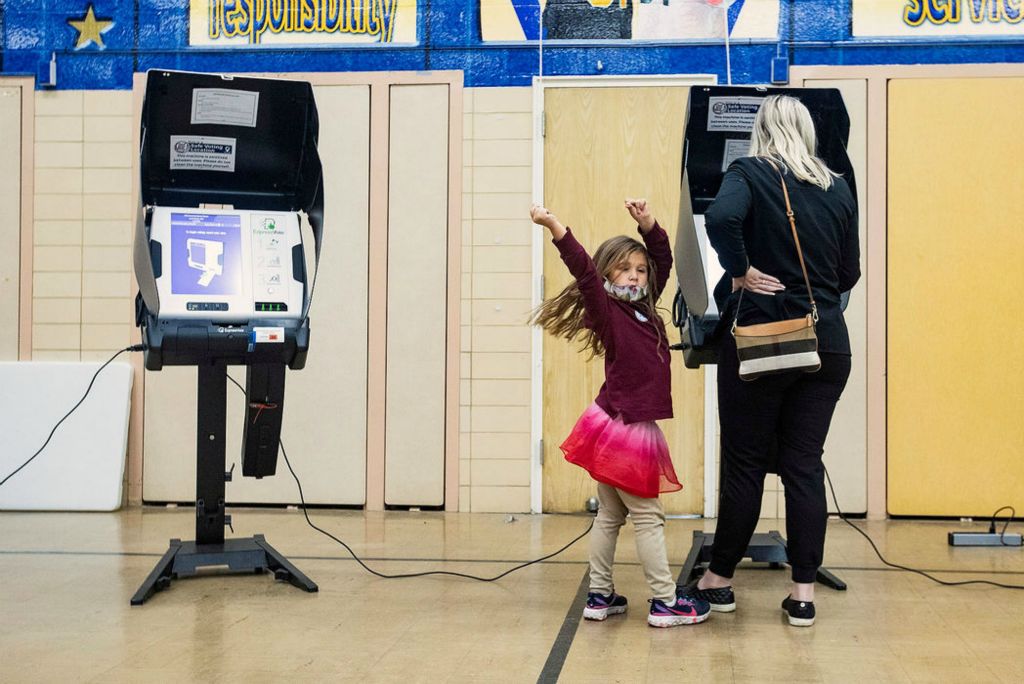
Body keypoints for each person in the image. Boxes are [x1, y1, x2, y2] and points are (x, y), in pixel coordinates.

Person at [677, 95, 860, 627]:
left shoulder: (749, 171)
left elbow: (720, 219)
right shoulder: (837, 185)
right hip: (828, 342)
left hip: (764, 339)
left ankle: (720, 581)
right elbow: (848, 273)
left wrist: (741, 271)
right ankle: (803, 594)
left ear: (760, 131)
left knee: (746, 463)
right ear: (809, 133)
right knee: (804, 466)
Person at [529, 199, 711, 628]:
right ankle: (666, 602)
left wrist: (649, 226)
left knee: (611, 514)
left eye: (640, 269)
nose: (635, 274)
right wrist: (556, 226)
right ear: (608, 273)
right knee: (648, 516)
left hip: (612, 421)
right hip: (625, 428)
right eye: (624, 268)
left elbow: (663, 260)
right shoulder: (607, 311)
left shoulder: (644, 307)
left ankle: (599, 595)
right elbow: (583, 273)